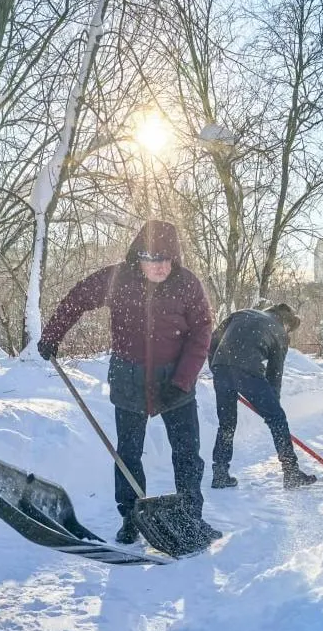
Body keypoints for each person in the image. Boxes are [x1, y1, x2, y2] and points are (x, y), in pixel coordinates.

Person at [36, 220, 218, 546]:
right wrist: (52, 335)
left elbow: (202, 331)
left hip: (175, 380)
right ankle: (132, 518)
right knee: (128, 454)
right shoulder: (118, 278)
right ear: (139, 256)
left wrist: (182, 380)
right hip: (128, 378)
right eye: (152, 258)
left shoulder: (187, 283)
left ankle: (191, 515)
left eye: (166, 259)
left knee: (187, 452)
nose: (160, 266)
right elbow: (78, 298)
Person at [208, 304, 317, 490]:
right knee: (277, 419)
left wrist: (219, 370)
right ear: (287, 323)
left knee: (227, 424)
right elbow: (275, 374)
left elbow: (212, 342)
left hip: (221, 368)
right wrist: (272, 407)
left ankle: (220, 473)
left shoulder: (241, 313)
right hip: (248, 371)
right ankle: (291, 472)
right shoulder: (280, 332)